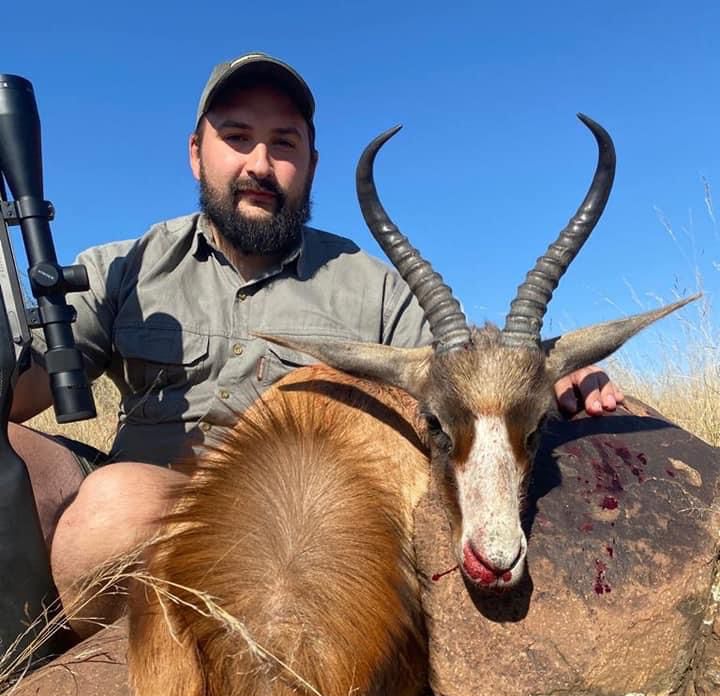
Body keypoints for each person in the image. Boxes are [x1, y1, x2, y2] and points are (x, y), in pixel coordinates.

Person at [9, 52, 623, 631]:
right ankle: (31, 663)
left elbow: (464, 382)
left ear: (311, 163)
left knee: (116, 509)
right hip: (128, 495)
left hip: (282, 522)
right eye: (237, 137)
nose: (259, 164)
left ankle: (110, 669)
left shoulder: (372, 287)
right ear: (196, 154)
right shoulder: (125, 266)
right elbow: (27, 389)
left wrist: (546, 375)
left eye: (284, 144)